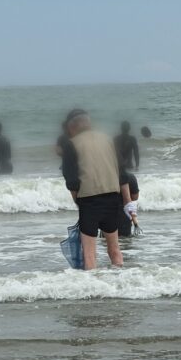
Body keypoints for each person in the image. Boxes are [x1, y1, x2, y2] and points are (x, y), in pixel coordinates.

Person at [60, 109, 136, 270]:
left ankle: (93, 290)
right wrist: (129, 203)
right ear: (89, 123)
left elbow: (72, 180)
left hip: (89, 201)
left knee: (89, 253)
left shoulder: (71, 144)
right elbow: (122, 174)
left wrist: (78, 202)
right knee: (115, 249)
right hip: (112, 200)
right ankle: (122, 283)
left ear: (72, 127)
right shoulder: (107, 139)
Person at [117, 172, 140, 238]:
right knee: (125, 243)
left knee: (107, 243)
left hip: (107, 216)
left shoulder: (105, 176)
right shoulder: (130, 176)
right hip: (124, 216)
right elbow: (135, 197)